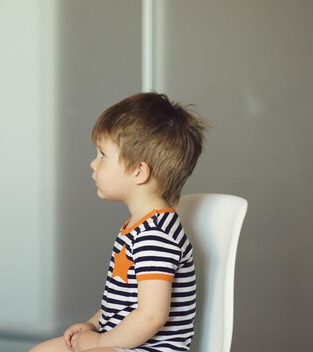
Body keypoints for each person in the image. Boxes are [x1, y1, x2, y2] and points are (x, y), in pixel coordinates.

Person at [31, 93, 207, 352]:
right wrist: (93, 325)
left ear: (139, 171)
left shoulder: (155, 235)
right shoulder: (137, 227)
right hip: (123, 344)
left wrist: (101, 342)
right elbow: (121, 303)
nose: (93, 164)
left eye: (102, 154)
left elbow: (152, 316)